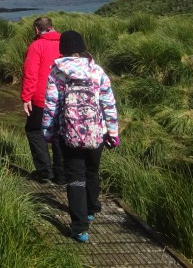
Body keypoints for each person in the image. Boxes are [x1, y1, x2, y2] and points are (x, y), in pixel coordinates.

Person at [42, 30, 120, 243]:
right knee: (92, 170)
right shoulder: (97, 71)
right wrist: (113, 132)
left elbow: (51, 105)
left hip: (70, 134)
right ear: (82, 47)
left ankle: (80, 228)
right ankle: (92, 208)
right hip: (97, 133)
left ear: (62, 49)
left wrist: (48, 132)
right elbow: (108, 104)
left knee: (75, 178)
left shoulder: (57, 72)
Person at [21, 16, 65, 185]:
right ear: (52, 27)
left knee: (34, 130)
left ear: (37, 30)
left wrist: (26, 97)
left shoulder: (36, 45)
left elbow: (31, 74)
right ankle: (61, 175)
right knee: (59, 134)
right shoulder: (65, 43)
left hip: (41, 98)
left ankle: (45, 172)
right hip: (63, 97)